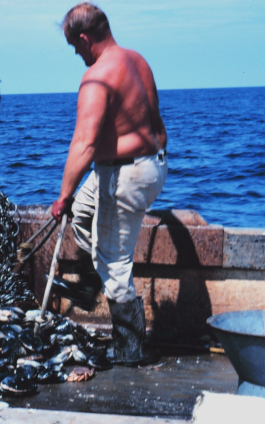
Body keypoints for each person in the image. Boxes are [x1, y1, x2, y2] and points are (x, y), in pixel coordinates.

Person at [50, 2, 168, 366]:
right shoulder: (137, 60)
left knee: (115, 264)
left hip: (125, 175)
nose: (75, 53)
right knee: (83, 214)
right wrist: (75, 198)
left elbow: (83, 144)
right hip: (150, 164)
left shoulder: (98, 76)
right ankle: (89, 285)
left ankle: (129, 349)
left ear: (85, 39)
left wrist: (62, 195)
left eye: (74, 46)